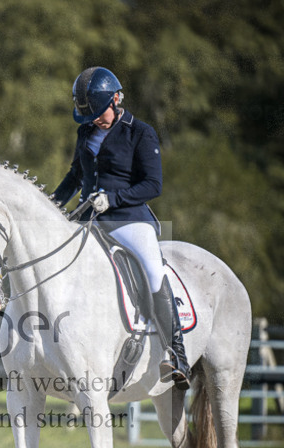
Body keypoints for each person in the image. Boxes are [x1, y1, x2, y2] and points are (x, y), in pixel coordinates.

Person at [53, 66, 190, 388]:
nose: (95, 120)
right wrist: (52, 204)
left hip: (128, 218)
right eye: (90, 116)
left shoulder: (140, 132)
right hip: (88, 218)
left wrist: (112, 199)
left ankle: (176, 353)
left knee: (152, 270)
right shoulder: (85, 131)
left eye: (100, 113)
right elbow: (75, 175)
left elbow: (153, 184)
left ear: (116, 99)